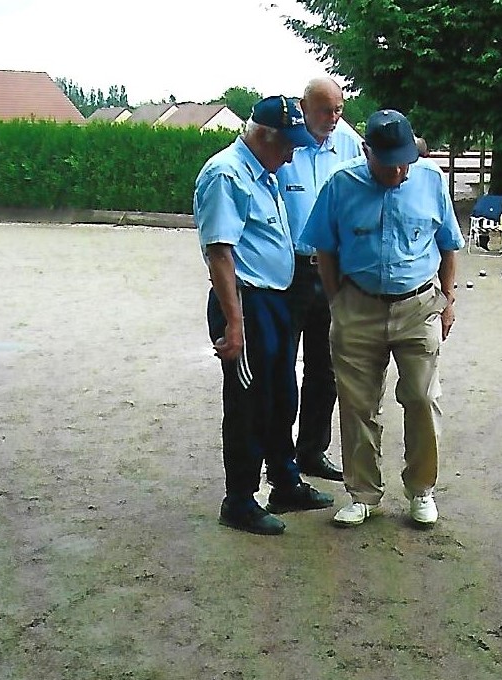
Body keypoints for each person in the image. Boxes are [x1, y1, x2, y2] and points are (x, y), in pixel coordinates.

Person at [300, 109, 463, 527]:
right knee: (357, 405)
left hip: (418, 306)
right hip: (358, 306)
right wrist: (338, 303)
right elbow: (325, 249)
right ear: (366, 151)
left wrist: (448, 298)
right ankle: (363, 493)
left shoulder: (430, 180)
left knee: (423, 399)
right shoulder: (341, 184)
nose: (399, 170)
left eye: (405, 160)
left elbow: (448, 244)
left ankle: (422, 489)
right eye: (389, 162)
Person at [193, 95, 334, 535]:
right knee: (249, 403)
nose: (293, 153)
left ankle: (285, 481)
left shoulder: (265, 171)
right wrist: (234, 326)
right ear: (264, 136)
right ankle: (238, 499)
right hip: (246, 303)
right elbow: (220, 253)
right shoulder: (226, 174)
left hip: (274, 301)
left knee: (280, 395)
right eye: (288, 144)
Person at [276, 77, 363, 483]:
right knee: (280, 367)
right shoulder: (284, 145)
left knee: (324, 366)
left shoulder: (347, 142)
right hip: (289, 271)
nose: (333, 118)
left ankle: (312, 450)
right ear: (303, 106)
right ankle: (279, 458)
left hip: (331, 268)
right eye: (326, 110)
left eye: (339, 109)